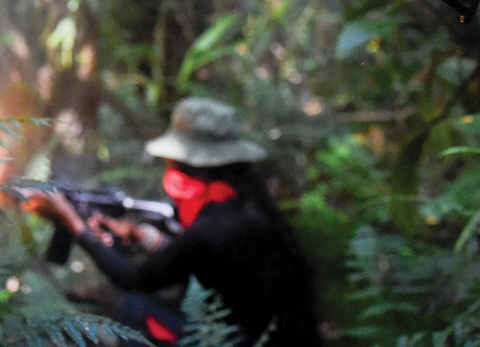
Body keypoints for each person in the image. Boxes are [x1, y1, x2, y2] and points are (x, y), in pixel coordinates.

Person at [24, 97, 323, 347]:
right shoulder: (249, 207)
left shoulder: (214, 228)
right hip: (282, 337)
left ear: (190, 167)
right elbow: (211, 261)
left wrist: (72, 222)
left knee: (133, 307)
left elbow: (134, 280)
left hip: (236, 341)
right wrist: (145, 237)